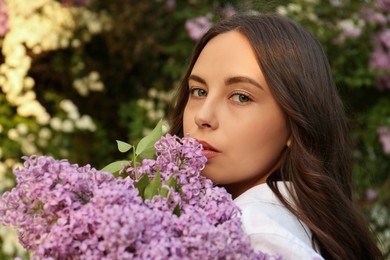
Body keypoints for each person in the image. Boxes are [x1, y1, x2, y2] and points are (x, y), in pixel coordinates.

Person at [168, 13, 383, 259]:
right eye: (198, 91)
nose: (203, 116)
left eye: (241, 96)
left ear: (295, 123)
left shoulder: (254, 233)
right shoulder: (287, 223)